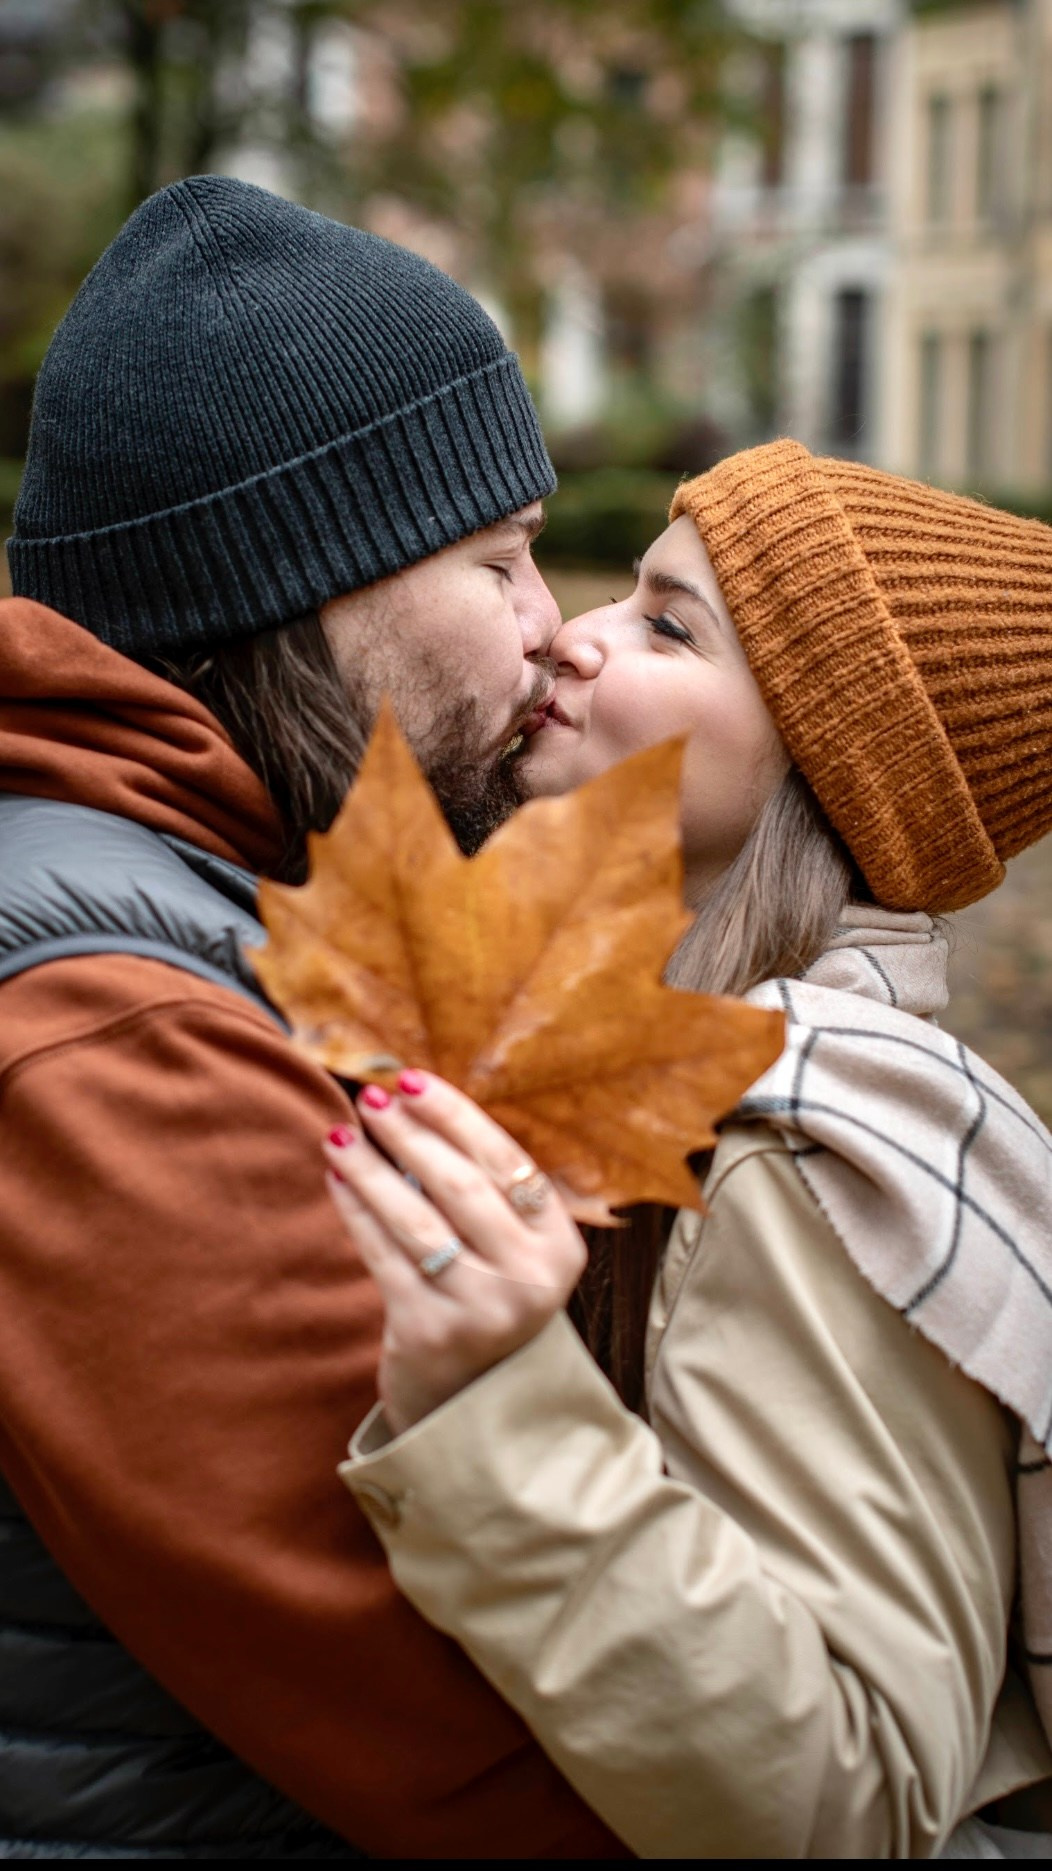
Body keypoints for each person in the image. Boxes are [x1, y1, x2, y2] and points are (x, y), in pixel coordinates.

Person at [0, 175, 625, 1858]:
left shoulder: (201, 894)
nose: (551, 626)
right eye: (495, 560)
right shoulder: (99, 1021)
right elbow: (460, 1735)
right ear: (310, 585)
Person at [332, 441, 1052, 1858]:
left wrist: (498, 1404)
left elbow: (852, 1798)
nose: (572, 634)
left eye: (668, 627)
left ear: (828, 772)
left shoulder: (802, 1158)